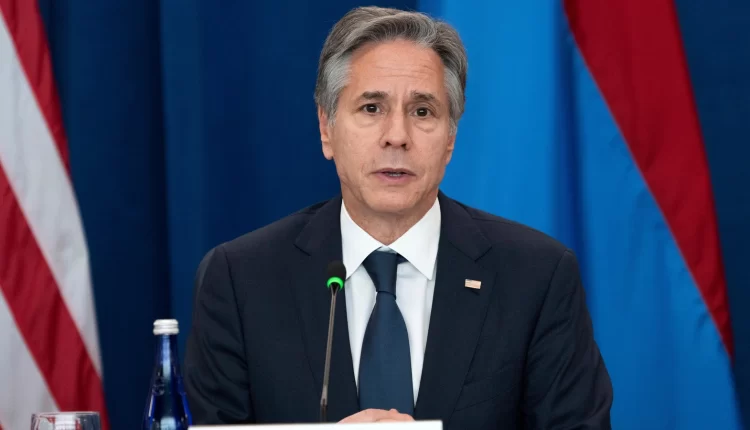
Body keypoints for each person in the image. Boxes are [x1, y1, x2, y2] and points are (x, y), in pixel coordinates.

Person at [184, 6, 613, 429]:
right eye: (372, 108)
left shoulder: (535, 277)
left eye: (422, 111)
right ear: (326, 128)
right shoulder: (241, 280)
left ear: (450, 137)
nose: (397, 136)